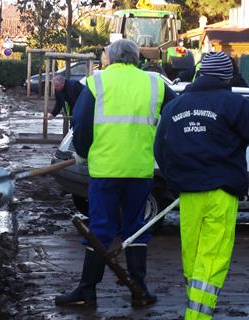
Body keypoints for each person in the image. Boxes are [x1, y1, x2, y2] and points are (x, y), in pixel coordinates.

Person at [154, 51, 249, 320]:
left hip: (188, 194)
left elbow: (160, 149)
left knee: (193, 258)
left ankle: (196, 308)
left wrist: (176, 181)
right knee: (212, 259)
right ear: (227, 76)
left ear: (200, 73)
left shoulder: (175, 106)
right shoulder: (233, 104)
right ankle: (198, 316)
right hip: (221, 194)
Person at [54, 39, 176, 308]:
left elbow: (81, 123)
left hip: (106, 170)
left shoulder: (98, 82)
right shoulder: (155, 84)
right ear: (136, 58)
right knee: (136, 228)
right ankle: (138, 286)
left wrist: (82, 153)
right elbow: (172, 118)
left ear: (111, 57)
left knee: (100, 228)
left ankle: (87, 289)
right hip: (140, 170)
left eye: (105, 54)